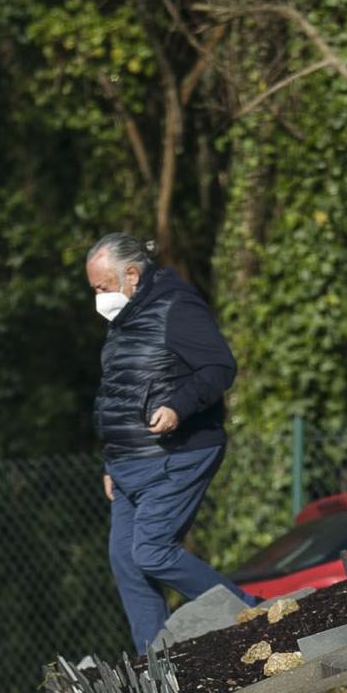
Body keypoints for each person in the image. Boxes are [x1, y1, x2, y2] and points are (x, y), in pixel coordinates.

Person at [85, 232, 249, 653]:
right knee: (127, 562)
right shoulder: (123, 323)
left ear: (132, 275)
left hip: (178, 453)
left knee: (153, 552)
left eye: (102, 287)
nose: (99, 298)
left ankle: (250, 613)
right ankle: (155, 661)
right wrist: (111, 461)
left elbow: (219, 367)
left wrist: (178, 406)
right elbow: (119, 394)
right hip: (127, 465)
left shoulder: (177, 308)